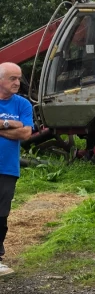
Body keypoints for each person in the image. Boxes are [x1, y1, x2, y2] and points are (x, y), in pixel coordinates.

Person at [0, 62, 34, 274]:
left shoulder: (22, 104)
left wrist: (0, 126)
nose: (17, 82)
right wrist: (10, 124)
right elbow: (19, 128)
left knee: (1, 214)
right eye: (13, 78)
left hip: (8, 167)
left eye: (18, 78)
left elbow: (26, 133)